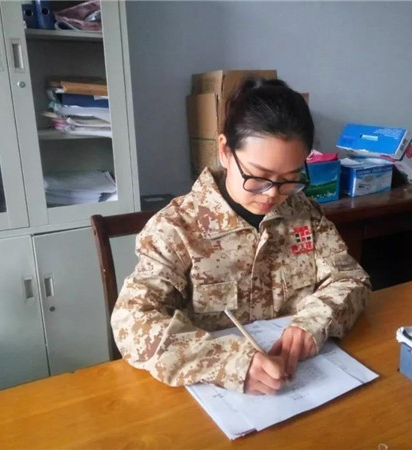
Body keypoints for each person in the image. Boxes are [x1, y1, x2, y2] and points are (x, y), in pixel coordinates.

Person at [111, 77, 371, 395]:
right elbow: (132, 320)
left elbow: (350, 279)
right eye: (259, 177)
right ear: (225, 151)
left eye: (290, 178)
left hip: (301, 384)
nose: (273, 194)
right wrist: (227, 363)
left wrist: (315, 322)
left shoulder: (303, 213)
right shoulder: (176, 229)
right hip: (210, 399)